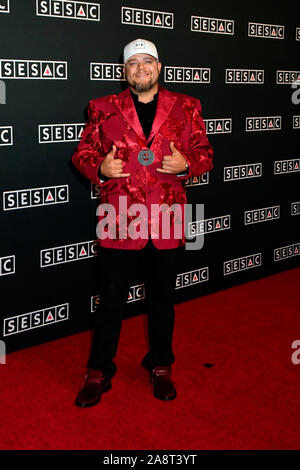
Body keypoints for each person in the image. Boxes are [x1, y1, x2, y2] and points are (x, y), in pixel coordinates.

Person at [71, 38, 213, 407]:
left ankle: (161, 365)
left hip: (167, 217)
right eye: (134, 64)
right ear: (124, 72)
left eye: (148, 62)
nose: (141, 69)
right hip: (119, 218)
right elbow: (83, 153)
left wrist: (189, 166)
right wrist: (99, 168)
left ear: (159, 67)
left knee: (163, 300)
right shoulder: (102, 108)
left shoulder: (187, 106)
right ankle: (99, 371)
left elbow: (204, 152)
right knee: (111, 301)